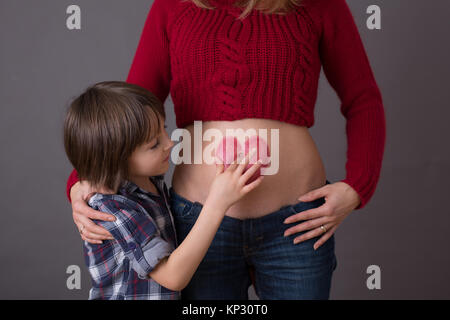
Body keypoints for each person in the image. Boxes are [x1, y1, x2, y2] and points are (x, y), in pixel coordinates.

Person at [66, 0, 386, 300]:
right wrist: (83, 179)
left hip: (297, 222)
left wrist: (358, 186)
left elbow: (363, 98)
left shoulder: (318, 4)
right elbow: (125, 113)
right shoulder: (173, 5)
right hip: (197, 222)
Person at [63, 81, 264, 299]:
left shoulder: (150, 185)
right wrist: (218, 203)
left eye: (164, 131)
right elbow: (173, 276)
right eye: (154, 144)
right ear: (116, 159)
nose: (169, 143)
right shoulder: (112, 209)